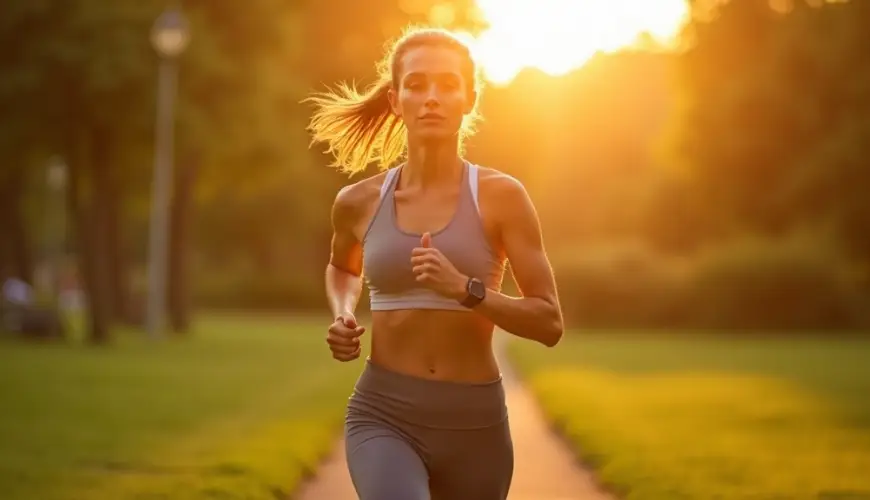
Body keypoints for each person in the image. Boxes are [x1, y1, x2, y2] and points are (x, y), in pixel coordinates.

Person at [305, 26, 564, 500]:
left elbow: (549, 322)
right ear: (395, 99)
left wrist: (467, 289)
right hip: (383, 412)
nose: (431, 98)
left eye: (447, 85)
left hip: (475, 424)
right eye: (417, 84)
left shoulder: (502, 197)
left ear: (469, 98)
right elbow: (343, 267)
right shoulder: (358, 201)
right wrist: (343, 311)